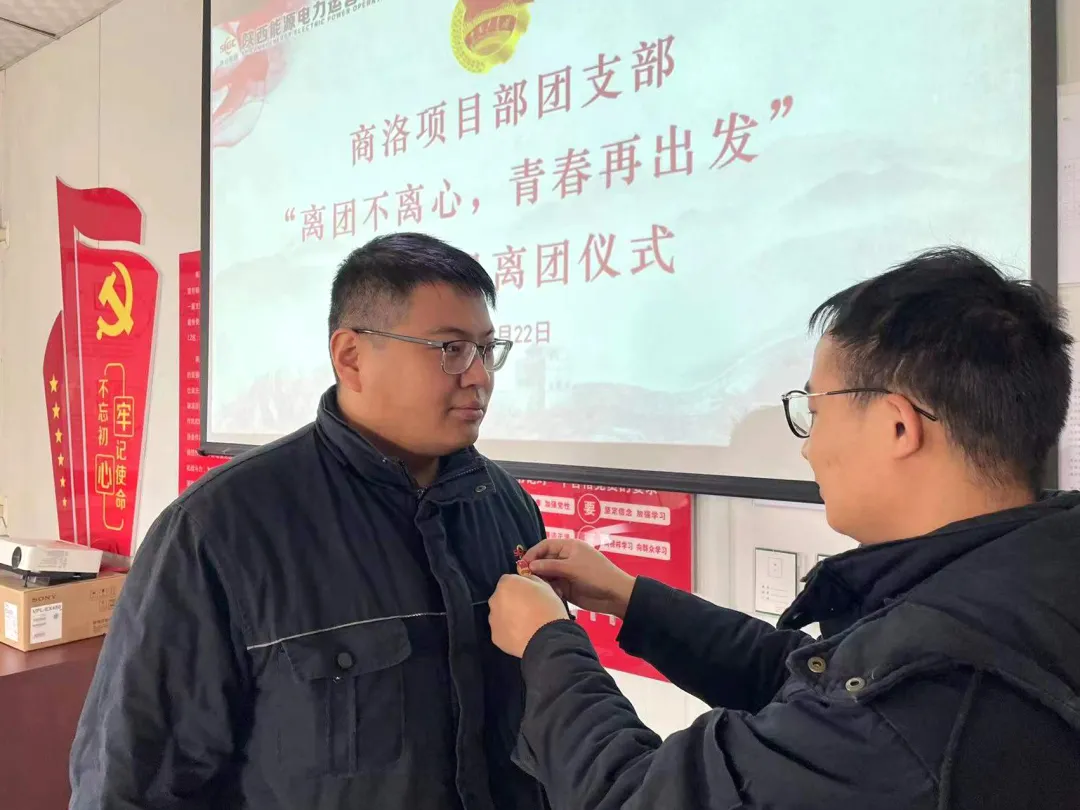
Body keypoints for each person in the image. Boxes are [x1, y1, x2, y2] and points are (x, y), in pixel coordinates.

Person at [488, 247, 1080, 809]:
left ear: (898, 427)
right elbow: (811, 676)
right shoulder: (1027, 578)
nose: (808, 449)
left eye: (814, 413)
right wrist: (628, 595)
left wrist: (547, 642)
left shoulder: (927, 702)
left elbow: (635, 798)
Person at [70, 233, 551, 810]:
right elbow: (130, 783)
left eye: (487, 350)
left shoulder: (505, 506)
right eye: (451, 348)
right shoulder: (219, 530)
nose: (479, 376)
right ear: (351, 357)